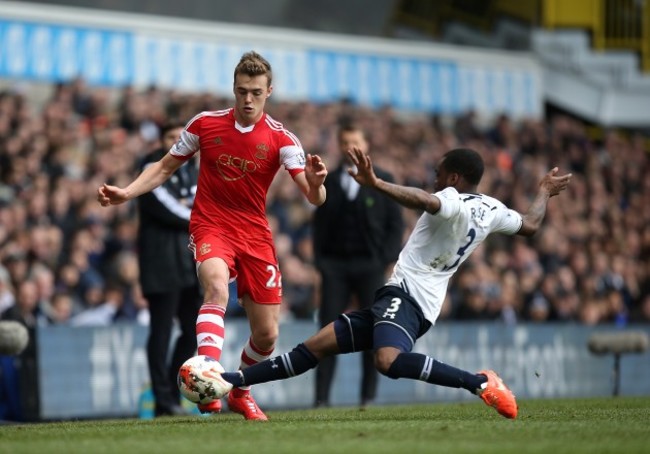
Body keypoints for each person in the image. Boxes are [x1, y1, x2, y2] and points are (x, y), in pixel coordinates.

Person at [216, 146, 572, 419]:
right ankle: (234, 381)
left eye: (438, 173)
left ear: (454, 179)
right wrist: (542, 190)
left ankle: (478, 382)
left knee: (386, 361)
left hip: (407, 296)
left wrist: (377, 184)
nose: (434, 178)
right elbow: (532, 224)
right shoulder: (493, 209)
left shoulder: (451, 199)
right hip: (410, 301)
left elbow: (425, 199)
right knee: (314, 347)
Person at [97, 51, 327, 421]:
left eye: (255, 92)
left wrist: (317, 186)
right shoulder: (205, 124)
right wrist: (128, 192)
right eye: (241, 91)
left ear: (270, 91)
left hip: (255, 235)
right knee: (217, 288)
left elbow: (313, 196)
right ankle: (207, 380)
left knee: (267, 335)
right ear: (233, 90)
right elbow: (164, 166)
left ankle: (240, 390)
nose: (247, 99)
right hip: (211, 224)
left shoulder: (283, 139)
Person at [312, 123, 404, 408]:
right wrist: (322, 263)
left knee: (374, 330)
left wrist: (383, 259)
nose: (350, 147)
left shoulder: (383, 179)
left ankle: (368, 397)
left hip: (370, 266)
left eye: (355, 141)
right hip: (335, 267)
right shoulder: (327, 180)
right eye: (345, 141)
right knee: (326, 332)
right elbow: (319, 225)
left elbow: (394, 225)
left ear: (366, 145)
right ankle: (322, 399)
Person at [136, 121, 202, 417]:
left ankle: (172, 391)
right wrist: (201, 215)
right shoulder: (152, 168)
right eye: (171, 137)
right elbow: (171, 209)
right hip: (160, 263)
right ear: (161, 142)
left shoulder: (195, 171)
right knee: (161, 331)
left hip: (189, 262)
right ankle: (162, 400)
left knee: (192, 331)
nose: (177, 142)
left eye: (181, 136)